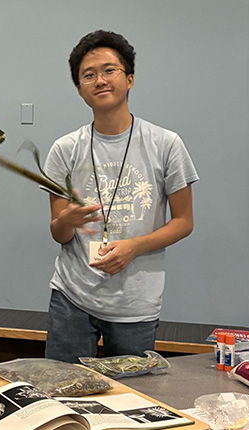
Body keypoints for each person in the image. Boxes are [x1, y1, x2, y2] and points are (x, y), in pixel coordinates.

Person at [43, 30, 199, 363]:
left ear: (129, 79)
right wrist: (66, 220)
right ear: (79, 89)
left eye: (109, 70)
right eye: (88, 75)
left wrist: (134, 247)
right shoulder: (64, 150)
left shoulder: (166, 144)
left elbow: (184, 222)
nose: (100, 80)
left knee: (134, 401)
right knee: (61, 395)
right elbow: (58, 234)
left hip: (135, 303)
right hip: (72, 296)